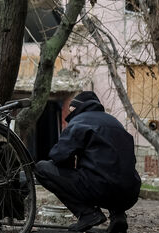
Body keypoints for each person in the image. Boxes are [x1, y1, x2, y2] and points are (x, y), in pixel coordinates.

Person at [34, 91, 141, 233]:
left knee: (42, 168)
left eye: (71, 110)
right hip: (130, 192)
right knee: (113, 170)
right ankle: (118, 217)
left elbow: (59, 156)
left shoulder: (79, 121)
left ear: (78, 107)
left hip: (99, 189)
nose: (70, 115)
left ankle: (88, 214)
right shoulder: (115, 122)